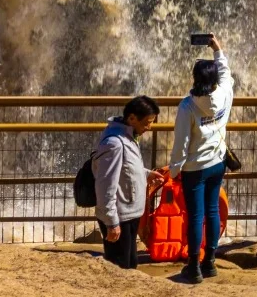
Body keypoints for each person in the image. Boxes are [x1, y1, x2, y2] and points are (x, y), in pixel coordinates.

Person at [168, 36, 235, 283]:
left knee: (195, 216)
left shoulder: (187, 107)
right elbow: (226, 70)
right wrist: (216, 47)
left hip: (194, 169)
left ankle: (194, 266)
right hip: (218, 163)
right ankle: (210, 262)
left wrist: (174, 171)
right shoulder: (225, 93)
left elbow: (181, 144)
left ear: (195, 79)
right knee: (212, 211)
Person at [92, 95, 161, 270]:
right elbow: (105, 185)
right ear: (131, 118)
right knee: (120, 268)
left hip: (129, 213)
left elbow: (126, 168)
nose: (149, 127)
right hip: (119, 217)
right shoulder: (114, 143)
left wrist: (146, 174)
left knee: (130, 265)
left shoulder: (128, 136)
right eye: (146, 122)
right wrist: (111, 222)